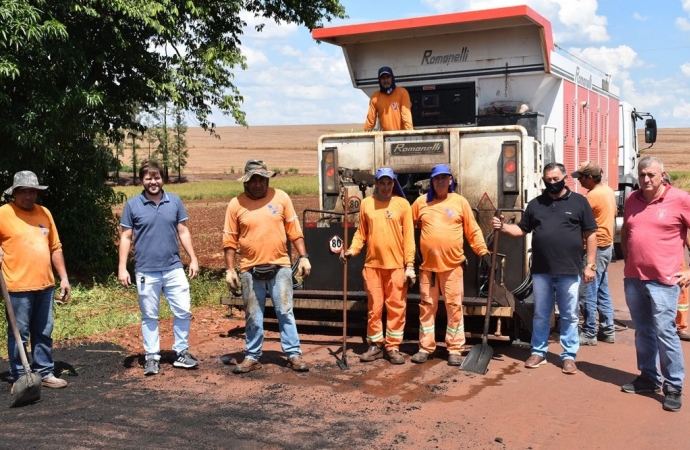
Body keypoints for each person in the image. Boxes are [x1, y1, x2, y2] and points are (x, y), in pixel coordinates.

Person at [491, 162, 597, 375]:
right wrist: (502, 227)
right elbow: (521, 230)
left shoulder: (579, 202)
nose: (552, 183)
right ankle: (538, 351)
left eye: (556, 179)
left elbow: (591, 234)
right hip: (542, 271)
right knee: (541, 313)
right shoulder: (536, 204)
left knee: (569, 315)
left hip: (569, 270)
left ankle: (568, 356)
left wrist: (590, 266)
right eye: (548, 180)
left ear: (565, 177)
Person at [223, 160, 311, 374]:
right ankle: (252, 356)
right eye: (253, 180)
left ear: (267, 179)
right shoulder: (236, 205)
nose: (258, 184)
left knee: (285, 311)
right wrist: (230, 269)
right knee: (253, 314)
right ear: (245, 182)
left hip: (280, 266)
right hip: (249, 270)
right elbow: (229, 240)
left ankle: (293, 354)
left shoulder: (281, 198)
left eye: (261, 179)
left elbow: (294, 230)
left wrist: (304, 256)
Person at [620, 156, 690, 412]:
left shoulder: (680, 199)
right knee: (643, 330)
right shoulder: (632, 200)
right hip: (634, 279)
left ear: (663, 174)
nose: (646, 179)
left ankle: (673, 386)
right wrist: (629, 263)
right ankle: (649, 377)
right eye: (642, 175)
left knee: (665, 332)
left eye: (651, 174)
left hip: (664, 280)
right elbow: (627, 232)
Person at [118, 160, 200, 376]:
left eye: (156, 177)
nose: (153, 181)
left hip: (174, 268)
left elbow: (183, 231)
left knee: (183, 310)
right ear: (142, 180)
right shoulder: (133, 205)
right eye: (148, 177)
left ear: (162, 178)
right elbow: (126, 237)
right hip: (146, 270)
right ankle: (152, 356)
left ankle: (181, 352)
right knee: (150, 315)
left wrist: (193, 258)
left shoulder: (174, 201)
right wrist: (122, 267)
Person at [410, 164, 491, 366]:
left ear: (450, 180)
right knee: (427, 308)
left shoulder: (460, 202)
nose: (440, 182)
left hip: (452, 268)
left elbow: (472, 231)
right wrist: (411, 254)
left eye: (444, 178)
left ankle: (454, 349)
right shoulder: (421, 203)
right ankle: (425, 347)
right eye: (437, 178)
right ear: (432, 181)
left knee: (454, 308)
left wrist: (483, 252)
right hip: (428, 269)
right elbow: (405, 228)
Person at [0, 170, 71, 389]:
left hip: (45, 285)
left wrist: (64, 278)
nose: (29, 196)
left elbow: (55, 247)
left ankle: (44, 372)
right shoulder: (3, 213)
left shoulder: (44, 213)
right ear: (15, 193)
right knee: (19, 333)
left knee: (43, 331)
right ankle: (20, 375)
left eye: (33, 191)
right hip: (17, 286)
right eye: (24, 192)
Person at [340, 168, 415, 364]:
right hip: (372, 266)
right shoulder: (367, 204)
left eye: (389, 183)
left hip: (397, 267)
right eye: (382, 183)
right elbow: (361, 234)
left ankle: (393, 346)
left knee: (396, 307)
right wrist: (351, 251)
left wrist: (410, 265)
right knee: (375, 308)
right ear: (376, 183)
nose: (386, 187)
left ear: (394, 183)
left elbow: (409, 238)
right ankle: (375, 344)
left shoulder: (403, 204)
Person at [572, 161, 617, 345]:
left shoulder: (591, 197)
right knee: (602, 290)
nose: (579, 181)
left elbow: (577, 220)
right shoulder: (607, 191)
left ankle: (589, 332)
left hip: (594, 249)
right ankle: (607, 329)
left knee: (587, 291)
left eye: (581, 178)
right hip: (606, 247)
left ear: (590, 178)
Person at [363, 66, 414, 132]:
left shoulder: (402, 93)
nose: (385, 80)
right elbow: (370, 121)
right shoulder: (375, 97)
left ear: (392, 78)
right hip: (385, 138)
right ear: (379, 80)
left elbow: (406, 117)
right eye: (382, 78)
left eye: (388, 77)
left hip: (401, 137)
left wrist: (410, 135)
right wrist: (365, 136)